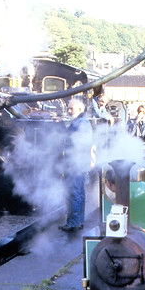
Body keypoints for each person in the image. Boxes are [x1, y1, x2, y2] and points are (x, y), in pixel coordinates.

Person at [60, 97, 93, 232]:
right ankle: (78, 221)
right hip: (79, 162)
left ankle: (73, 223)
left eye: (71, 108)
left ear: (80, 109)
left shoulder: (80, 124)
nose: (69, 111)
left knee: (74, 192)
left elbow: (78, 144)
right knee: (79, 191)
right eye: (68, 108)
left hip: (75, 163)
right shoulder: (81, 122)